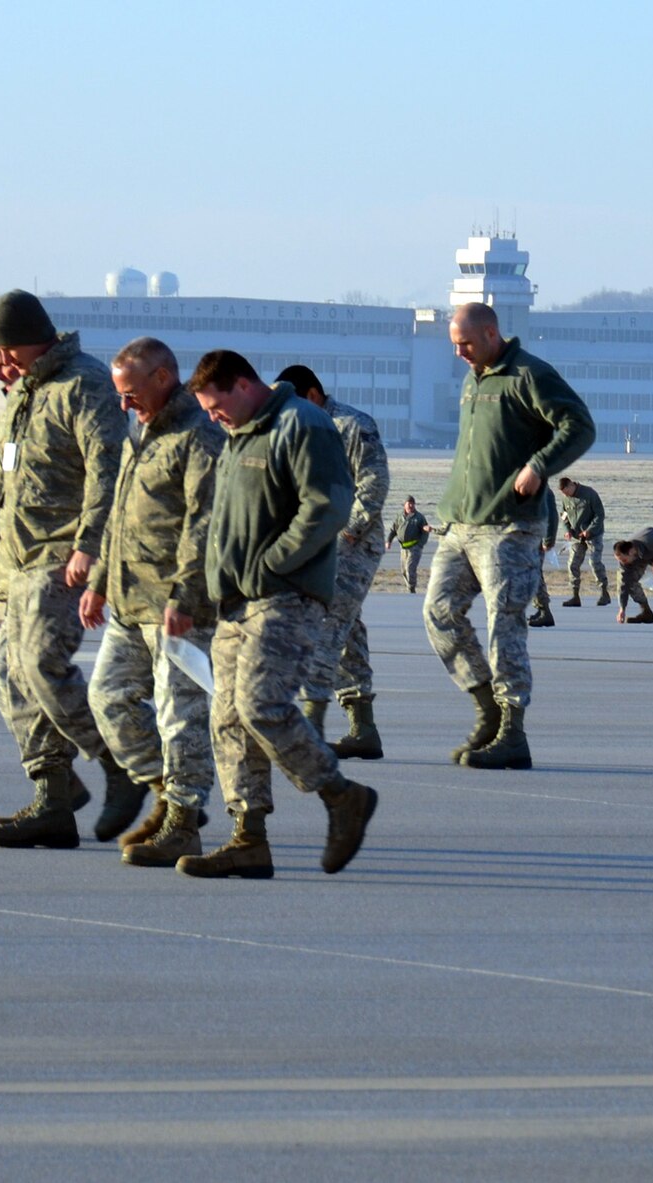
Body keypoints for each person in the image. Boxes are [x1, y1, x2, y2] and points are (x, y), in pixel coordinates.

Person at [181, 350, 376, 879]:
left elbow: (329, 506)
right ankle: (249, 838)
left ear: (243, 386)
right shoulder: (239, 434)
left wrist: (274, 563)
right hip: (235, 602)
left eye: (217, 406)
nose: (214, 417)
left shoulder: (303, 424)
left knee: (261, 704)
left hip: (285, 596)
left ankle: (341, 795)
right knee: (227, 719)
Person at [0, 289, 139, 848]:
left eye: (5, 359)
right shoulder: (19, 398)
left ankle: (123, 764)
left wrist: (89, 545)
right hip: (13, 563)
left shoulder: (83, 385)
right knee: (8, 681)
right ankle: (54, 798)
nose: (0, 373)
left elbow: (109, 472)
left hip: (61, 554)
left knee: (40, 666)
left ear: (32, 342)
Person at [425, 302, 595, 769]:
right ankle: (486, 710)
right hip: (461, 523)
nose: (459, 352)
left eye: (466, 343)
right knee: (438, 613)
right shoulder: (472, 378)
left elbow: (579, 426)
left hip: (511, 526)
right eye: (454, 344)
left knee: (505, 622)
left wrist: (539, 466)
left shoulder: (528, 374)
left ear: (492, 333)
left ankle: (512, 732)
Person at [80, 338, 225, 868]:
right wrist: (98, 579)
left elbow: (203, 525)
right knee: (108, 698)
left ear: (163, 378)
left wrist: (186, 595)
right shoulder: (140, 433)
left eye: (130, 392)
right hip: (128, 600)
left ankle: (184, 822)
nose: (123, 404)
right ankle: (166, 792)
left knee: (180, 715)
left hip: (176, 608)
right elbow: (118, 515)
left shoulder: (199, 437)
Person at [281, 363, 392, 762]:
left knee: (326, 623)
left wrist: (348, 533)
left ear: (312, 394)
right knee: (348, 628)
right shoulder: (298, 429)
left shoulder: (351, 424)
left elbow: (374, 483)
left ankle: (311, 722)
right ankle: (363, 727)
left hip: (352, 545)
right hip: (317, 545)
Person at [557, 475, 610, 607]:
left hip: (593, 535)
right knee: (572, 564)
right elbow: (564, 516)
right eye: (563, 493)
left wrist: (590, 530)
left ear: (571, 485)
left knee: (594, 562)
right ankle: (575, 596)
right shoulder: (565, 499)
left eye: (566, 491)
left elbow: (600, 514)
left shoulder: (589, 494)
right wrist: (567, 530)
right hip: (576, 536)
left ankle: (604, 592)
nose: (566, 495)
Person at [385, 496, 432, 592]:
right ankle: (409, 589)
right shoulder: (399, 516)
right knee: (403, 571)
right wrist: (389, 541)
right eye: (408, 503)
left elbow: (425, 531)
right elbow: (393, 530)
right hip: (403, 547)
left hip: (415, 548)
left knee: (410, 568)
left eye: (412, 503)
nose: (410, 505)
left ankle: (411, 589)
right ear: (404, 505)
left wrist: (420, 545)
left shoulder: (419, 517)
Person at [526, 492, 558, 628]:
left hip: (535, 539)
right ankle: (541, 609)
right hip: (528, 537)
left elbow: (551, 517)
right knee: (534, 574)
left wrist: (548, 540)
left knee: (534, 575)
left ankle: (545, 612)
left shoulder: (542, 489)